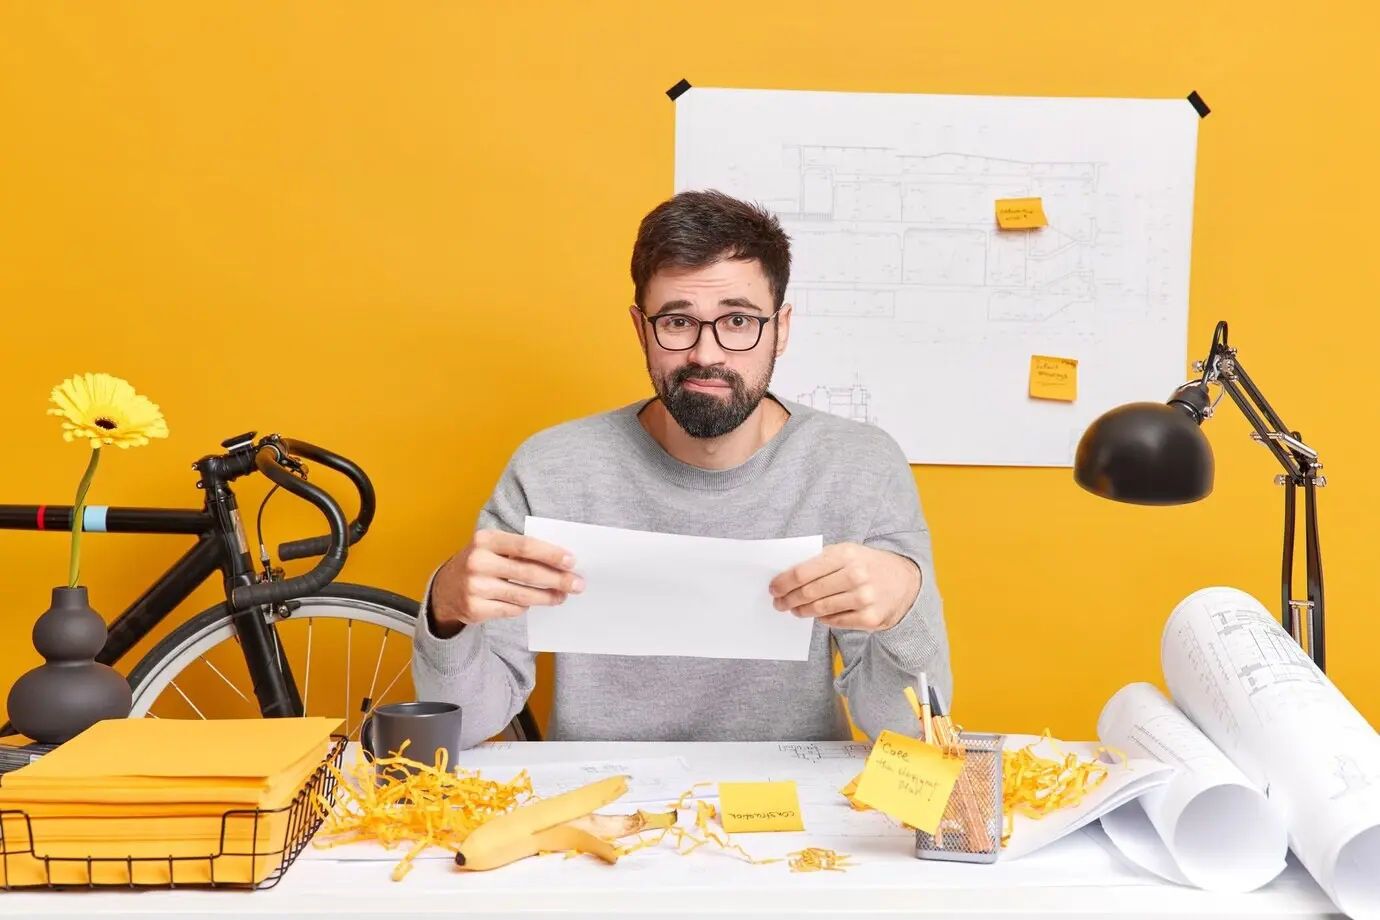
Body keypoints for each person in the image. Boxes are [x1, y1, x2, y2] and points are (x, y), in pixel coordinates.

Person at [412, 189, 952, 749]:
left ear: (781, 328)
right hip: (598, 799)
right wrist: (446, 609)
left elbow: (908, 731)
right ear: (641, 328)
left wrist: (904, 609)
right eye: (677, 322)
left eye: (738, 320)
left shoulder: (856, 465)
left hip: (798, 804)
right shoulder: (551, 469)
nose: (706, 355)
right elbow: (465, 726)